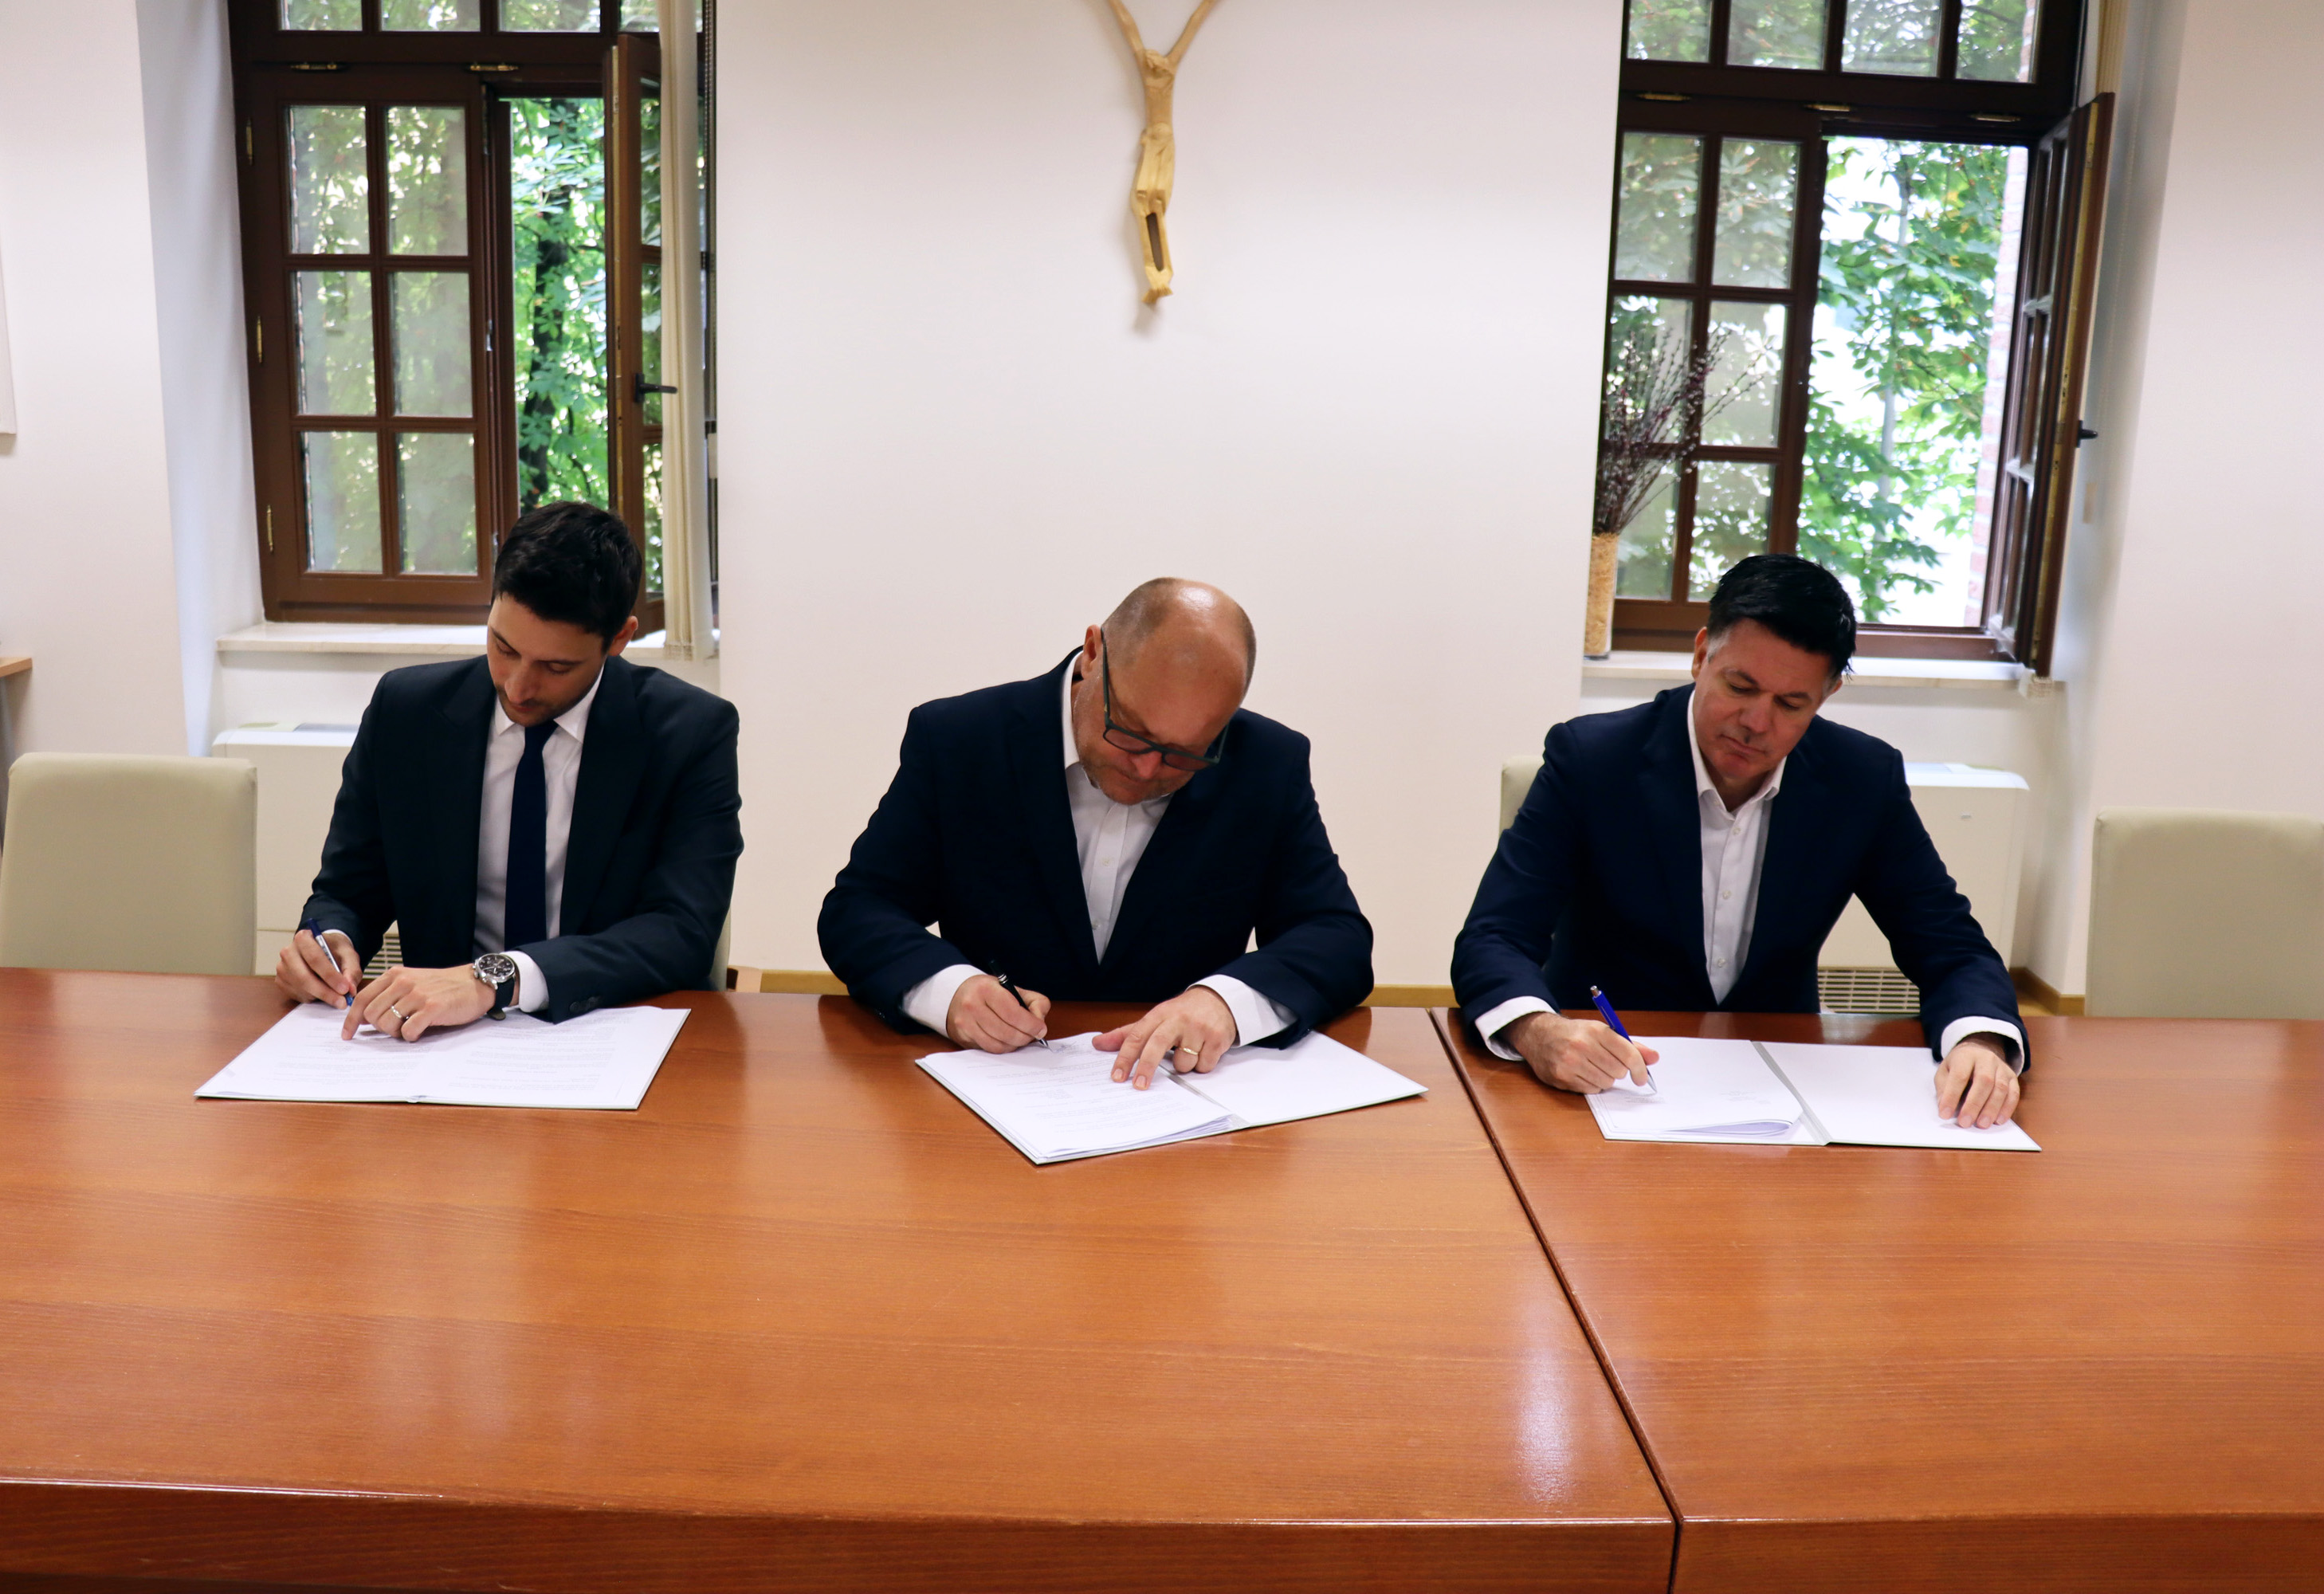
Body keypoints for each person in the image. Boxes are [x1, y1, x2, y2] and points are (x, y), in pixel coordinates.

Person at [1453, 554, 2027, 1128]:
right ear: (1702, 653)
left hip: (1784, 1087)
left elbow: (1951, 946)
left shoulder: (1860, 779)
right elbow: (1494, 936)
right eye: (1739, 686)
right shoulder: (1594, 761)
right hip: (1610, 1082)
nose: (1756, 722)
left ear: (1826, 694)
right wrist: (1539, 1030)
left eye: (1790, 704)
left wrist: (1979, 1041)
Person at [819, 579, 1372, 1089]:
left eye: (1186, 753)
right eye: (1130, 732)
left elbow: (1335, 935)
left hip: (1180, 1099)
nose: (1149, 769)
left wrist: (1225, 1003)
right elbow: (860, 909)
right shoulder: (960, 740)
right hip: (990, 1094)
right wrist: (949, 991)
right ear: (1092, 654)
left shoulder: (1266, 762)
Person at [274, 501, 742, 1040]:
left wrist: (497, 979)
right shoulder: (407, 713)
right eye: (504, 647)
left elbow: (682, 931)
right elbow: (349, 889)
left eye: (556, 667)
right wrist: (330, 940)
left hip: (609, 1028)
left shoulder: (688, 733)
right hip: (437, 1040)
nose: (519, 687)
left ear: (619, 639)